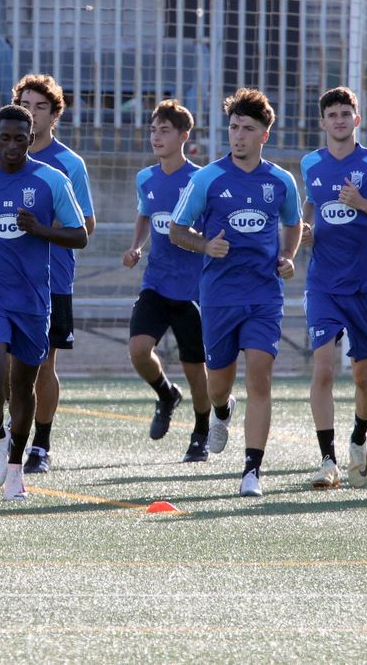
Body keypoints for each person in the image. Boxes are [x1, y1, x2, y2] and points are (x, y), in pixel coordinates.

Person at [0, 105, 87, 501]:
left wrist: (40, 229)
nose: (12, 145)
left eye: (20, 138)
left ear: (31, 139)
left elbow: (80, 236)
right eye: (4, 137)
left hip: (33, 300)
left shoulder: (51, 181)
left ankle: (14, 470)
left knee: (24, 386)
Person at [170, 88, 302, 498]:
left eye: (248, 128)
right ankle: (222, 412)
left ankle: (251, 471)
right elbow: (177, 230)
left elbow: (294, 224)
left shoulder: (281, 181)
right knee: (219, 387)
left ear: (264, 135)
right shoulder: (206, 178)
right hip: (219, 296)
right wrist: (206, 245)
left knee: (260, 377)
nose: (238, 135)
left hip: (263, 296)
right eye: (233, 127)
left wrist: (287, 256)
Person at [299, 87, 367, 489]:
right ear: (323, 122)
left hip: (364, 288)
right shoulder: (311, 163)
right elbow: (310, 204)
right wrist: (305, 229)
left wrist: (362, 204)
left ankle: (358, 440)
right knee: (324, 368)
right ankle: (327, 460)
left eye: (346, 113)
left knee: (364, 376)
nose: (340, 120)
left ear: (357, 119)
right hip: (323, 284)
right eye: (333, 114)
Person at [0, 74, 95, 475]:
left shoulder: (69, 165)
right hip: (2, 282)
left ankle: (41, 445)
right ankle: (8, 439)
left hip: (51, 281)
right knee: (6, 368)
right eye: (25, 104)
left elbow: (86, 226)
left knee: (43, 366)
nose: (31, 112)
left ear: (53, 115)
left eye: (40, 107)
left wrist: (43, 228)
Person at [123, 100, 210, 462]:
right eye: (153, 130)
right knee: (139, 350)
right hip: (156, 283)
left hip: (192, 289)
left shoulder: (201, 180)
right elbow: (146, 215)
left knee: (196, 368)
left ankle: (202, 430)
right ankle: (165, 394)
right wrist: (136, 247)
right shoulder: (146, 178)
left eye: (165, 130)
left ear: (183, 136)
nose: (156, 137)